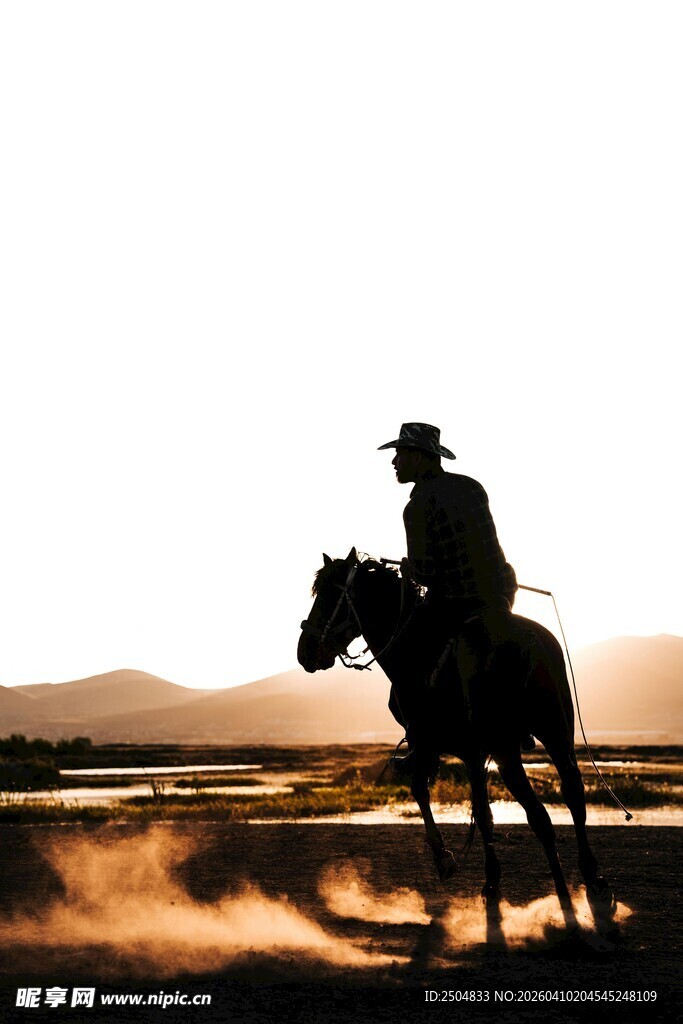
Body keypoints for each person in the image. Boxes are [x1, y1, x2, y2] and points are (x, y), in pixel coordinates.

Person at [377, 421, 529, 756]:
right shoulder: (472, 487)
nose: (394, 462)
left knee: (404, 662)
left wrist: (410, 569)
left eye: (400, 454)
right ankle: (520, 726)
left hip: (455, 603)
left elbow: (427, 573)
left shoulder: (416, 507)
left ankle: (420, 745)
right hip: (501, 594)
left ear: (419, 457)